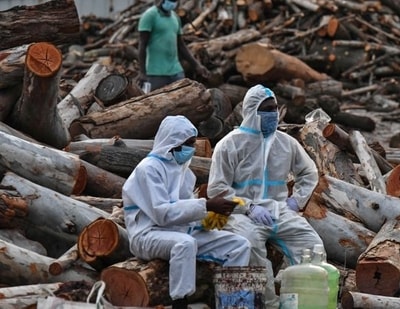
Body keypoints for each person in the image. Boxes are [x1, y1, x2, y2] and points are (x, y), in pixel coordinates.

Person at [207, 84, 326, 309]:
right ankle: (269, 305)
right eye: (267, 109)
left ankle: (304, 303)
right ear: (252, 111)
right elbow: (218, 189)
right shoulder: (230, 145)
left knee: (311, 245)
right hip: (240, 212)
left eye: (275, 109)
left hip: (279, 209)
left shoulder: (286, 142)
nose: (273, 114)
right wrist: (248, 207)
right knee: (251, 246)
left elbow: (309, 172)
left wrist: (296, 201)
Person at [122, 115, 251, 309]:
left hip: (180, 230)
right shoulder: (148, 169)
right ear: (172, 142)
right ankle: (180, 302)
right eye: (188, 143)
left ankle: (233, 303)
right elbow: (162, 214)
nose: (191, 148)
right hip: (147, 234)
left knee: (239, 245)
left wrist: (208, 220)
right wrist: (206, 206)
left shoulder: (183, 170)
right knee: (185, 244)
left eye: (193, 143)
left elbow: (185, 211)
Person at [138, 0, 210, 91]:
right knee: (156, 103)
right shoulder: (150, 16)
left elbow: (181, 46)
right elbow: (142, 45)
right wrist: (142, 72)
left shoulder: (175, 17)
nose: (173, 3)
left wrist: (197, 65)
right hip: (155, 73)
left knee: (183, 99)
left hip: (176, 72)